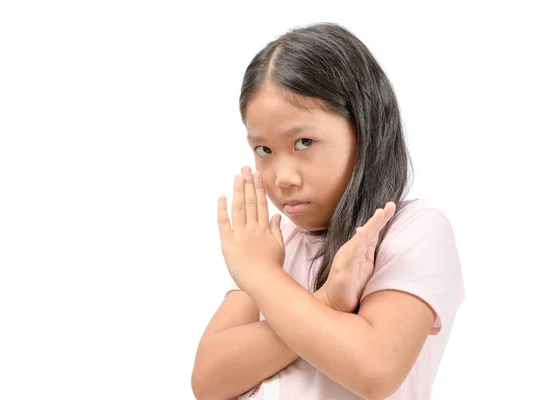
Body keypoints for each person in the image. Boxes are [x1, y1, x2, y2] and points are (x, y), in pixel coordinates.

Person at [191, 22, 465, 400]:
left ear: (364, 129)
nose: (282, 177)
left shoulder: (414, 230)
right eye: (264, 150)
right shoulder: (275, 243)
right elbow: (208, 381)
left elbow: (374, 369)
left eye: (304, 141)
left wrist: (261, 276)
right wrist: (325, 302)